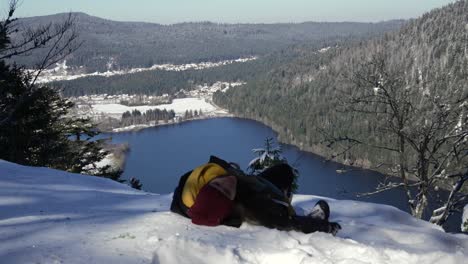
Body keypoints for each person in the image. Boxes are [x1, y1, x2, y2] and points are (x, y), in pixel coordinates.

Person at [170, 156, 341, 235]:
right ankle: (286, 209)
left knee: (283, 170)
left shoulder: (196, 182)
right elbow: (289, 225)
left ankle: (283, 202)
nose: (227, 182)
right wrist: (324, 226)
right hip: (251, 192)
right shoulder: (249, 206)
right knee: (278, 209)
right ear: (232, 203)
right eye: (227, 191)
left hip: (247, 184)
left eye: (217, 183)